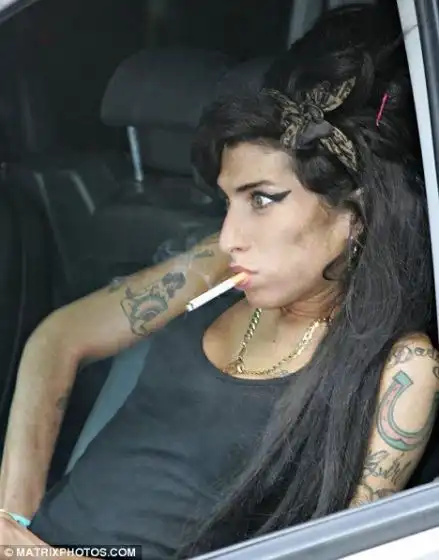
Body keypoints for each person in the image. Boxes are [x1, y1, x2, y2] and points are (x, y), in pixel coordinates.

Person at [1, 3, 439, 558]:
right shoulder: (226, 265)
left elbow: (344, 550)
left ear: (355, 211)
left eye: (262, 199)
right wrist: (14, 521)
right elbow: (58, 339)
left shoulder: (401, 372)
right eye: (228, 201)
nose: (229, 236)